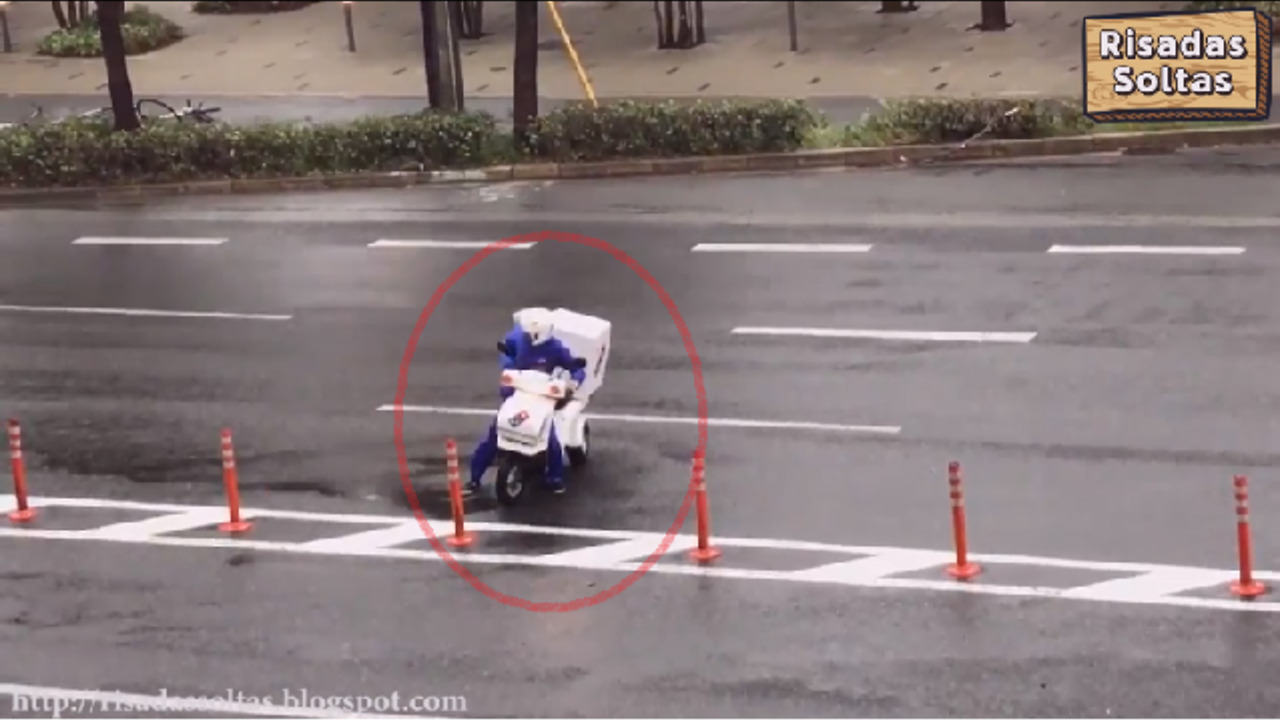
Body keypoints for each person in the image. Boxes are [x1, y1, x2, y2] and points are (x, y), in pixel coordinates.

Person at [469, 309, 587, 495]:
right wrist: (509, 368)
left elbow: (575, 367)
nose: (531, 337)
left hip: (541, 396)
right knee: (496, 432)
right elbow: (506, 352)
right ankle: (474, 478)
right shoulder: (516, 338)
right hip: (519, 391)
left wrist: (573, 382)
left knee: (550, 437)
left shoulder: (555, 347)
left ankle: (554, 478)